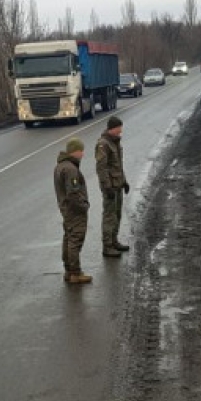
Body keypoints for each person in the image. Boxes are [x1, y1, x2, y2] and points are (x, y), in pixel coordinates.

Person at [54, 138, 92, 285]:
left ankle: (69, 270)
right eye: (81, 151)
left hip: (66, 210)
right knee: (75, 240)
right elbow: (73, 193)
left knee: (68, 238)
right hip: (74, 211)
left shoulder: (60, 166)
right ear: (74, 151)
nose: (82, 154)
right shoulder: (70, 169)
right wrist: (84, 206)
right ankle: (75, 273)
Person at [95, 115, 130, 257]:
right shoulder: (103, 144)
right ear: (113, 128)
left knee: (117, 215)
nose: (121, 131)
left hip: (118, 184)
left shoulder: (115, 142)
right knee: (109, 216)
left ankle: (114, 241)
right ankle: (107, 246)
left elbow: (118, 166)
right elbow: (101, 168)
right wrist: (107, 187)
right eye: (119, 128)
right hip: (110, 187)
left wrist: (124, 181)